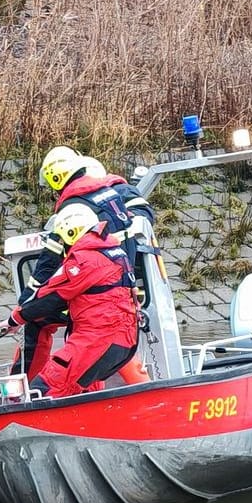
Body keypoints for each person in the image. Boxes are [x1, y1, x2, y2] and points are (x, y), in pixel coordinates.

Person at [20, 146, 156, 377]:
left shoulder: (75, 207)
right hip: (123, 291)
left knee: (37, 323)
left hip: (94, 298)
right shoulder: (111, 197)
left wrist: (25, 305)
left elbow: (49, 261)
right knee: (96, 344)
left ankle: (23, 385)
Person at [5, 205, 140, 399]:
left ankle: (24, 421)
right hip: (123, 341)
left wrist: (15, 319)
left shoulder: (83, 259)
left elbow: (50, 296)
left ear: (71, 232)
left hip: (96, 341)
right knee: (82, 393)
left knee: (42, 390)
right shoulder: (115, 253)